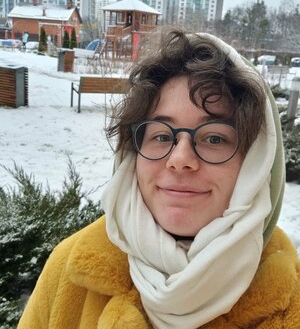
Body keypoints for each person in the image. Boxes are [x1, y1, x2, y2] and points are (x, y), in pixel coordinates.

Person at [18, 30, 300, 329]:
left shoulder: (290, 295)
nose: (180, 160)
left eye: (214, 138)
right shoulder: (70, 270)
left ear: (256, 164)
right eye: (162, 135)